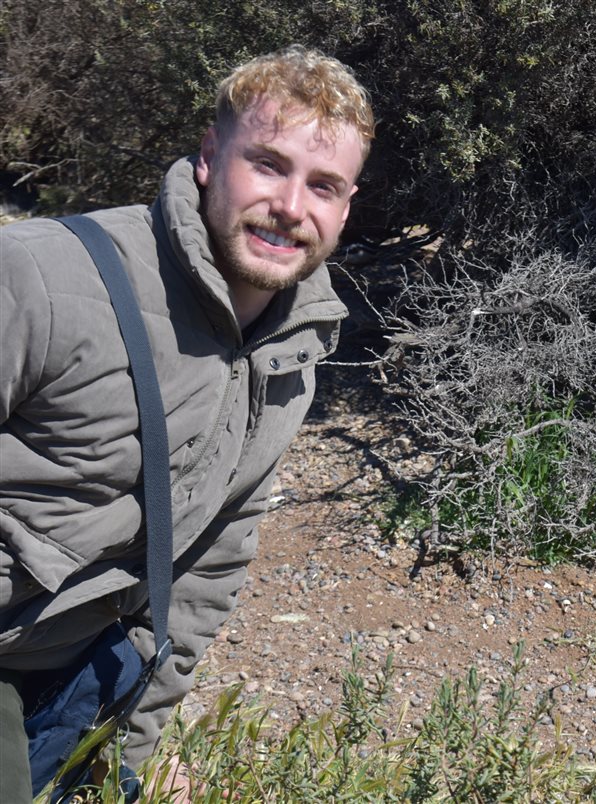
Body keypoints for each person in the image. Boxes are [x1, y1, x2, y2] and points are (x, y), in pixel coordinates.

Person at [0, 45, 374, 800]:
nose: (291, 208)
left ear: (347, 204)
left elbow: (208, 566)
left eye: (323, 185)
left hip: (78, 669)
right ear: (209, 157)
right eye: (267, 165)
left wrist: (125, 753)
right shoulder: (39, 278)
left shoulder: (293, 347)